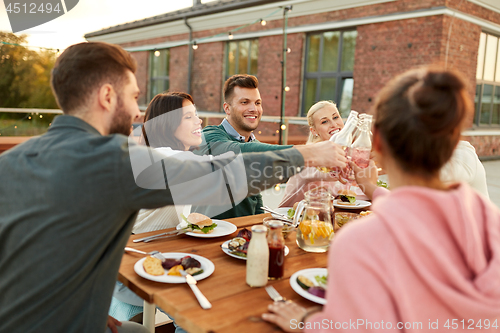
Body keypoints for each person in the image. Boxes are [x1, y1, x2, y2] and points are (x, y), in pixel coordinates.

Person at [0, 42, 346, 333]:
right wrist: (309, 153)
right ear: (107, 95)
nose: (137, 110)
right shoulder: (114, 160)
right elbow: (223, 174)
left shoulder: (13, 161)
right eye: (132, 96)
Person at [262, 67, 500, 332]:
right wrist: (369, 185)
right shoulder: (493, 223)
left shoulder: (358, 244)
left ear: (377, 144)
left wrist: (304, 322)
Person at [193, 74, 339, 219]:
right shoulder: (210, 136)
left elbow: (256, 201)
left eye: (257, 103)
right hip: (207, 233)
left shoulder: (254, 145)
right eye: (245, 102)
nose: (253, 109)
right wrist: (311, 152)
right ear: (227, 108)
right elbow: (238, 153)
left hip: (242, 235)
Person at [278, 101, 368, 208]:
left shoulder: (347, 153)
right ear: (314, 131)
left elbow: (354, 196)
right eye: (324, 122)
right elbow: (323, 172)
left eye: (335, 117)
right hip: (291, 218)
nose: (334, 124)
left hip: (325, 218)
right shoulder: (310, 154)